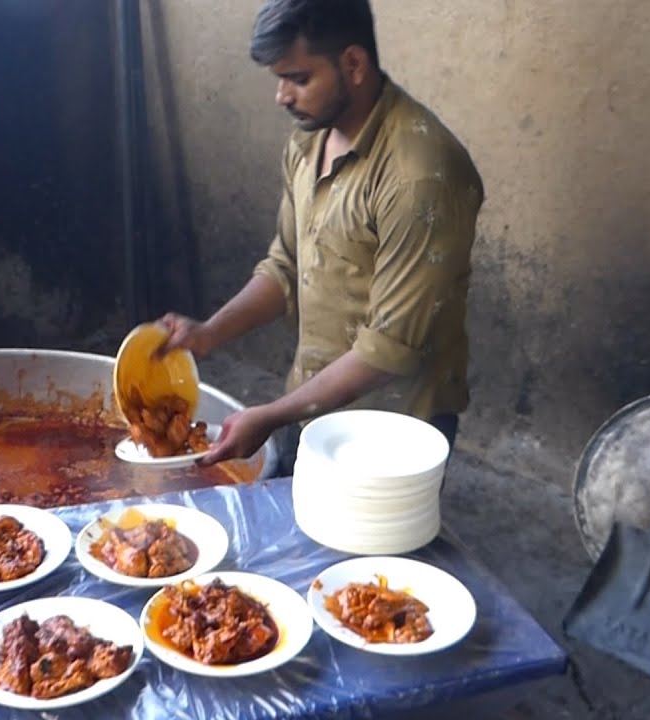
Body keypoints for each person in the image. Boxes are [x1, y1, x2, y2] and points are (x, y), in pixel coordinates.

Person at [160, 0, 484, 471]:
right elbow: (285, 266)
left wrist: (270, 416)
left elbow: (386, 349)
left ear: (353, 64)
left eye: (298, 78)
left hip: (393, 429)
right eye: (279, 79)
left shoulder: (420, 176)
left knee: (372, 545)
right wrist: (210, 333)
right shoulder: (310, 140)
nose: (282, 97)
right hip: (313, 403)